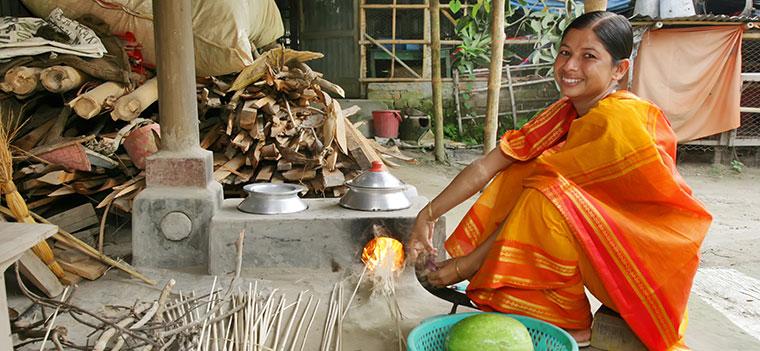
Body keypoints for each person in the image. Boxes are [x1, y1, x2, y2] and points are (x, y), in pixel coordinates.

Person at [408, 11, 712, 351]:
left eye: (588, 57)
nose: (569, 66)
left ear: (619, 70)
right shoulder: (566, 112)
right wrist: (427, 215)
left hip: (643, 268)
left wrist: (463, 267)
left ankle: (561, 319)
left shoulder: (618, 119)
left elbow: (542, 200)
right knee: (522, 171)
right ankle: (534, 296)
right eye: (565, 52)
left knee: (543, 193)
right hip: (604, 248)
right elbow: (486, 166)